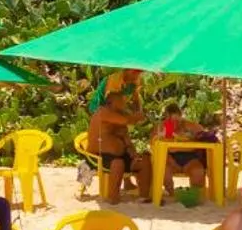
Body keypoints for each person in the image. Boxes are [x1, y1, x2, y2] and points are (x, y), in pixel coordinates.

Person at [87, 75, 151, 204]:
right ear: (110, 102)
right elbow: (127, 120)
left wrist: (133, 152)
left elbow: (125, 137)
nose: (124, 103)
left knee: (144, 159)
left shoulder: (120, 114)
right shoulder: (102, 112)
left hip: (121, 154)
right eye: (121, 101)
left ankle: (144, 196)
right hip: (98, 156)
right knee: (118, 163)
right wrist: (138, 116)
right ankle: (113, 197)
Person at [158, 103, 217, 199]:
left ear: (181, 116)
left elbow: (206, 138)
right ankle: (173, 195)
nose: (174, 123)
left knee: (198, 171)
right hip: (170, 159)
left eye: (177, 120)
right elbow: (156, 144)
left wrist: (192, 139)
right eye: (171, 120)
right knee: (164, 171)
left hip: (190, 158)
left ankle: (193, 196)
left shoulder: (190, 126)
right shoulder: (164, 127)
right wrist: (169, 158)